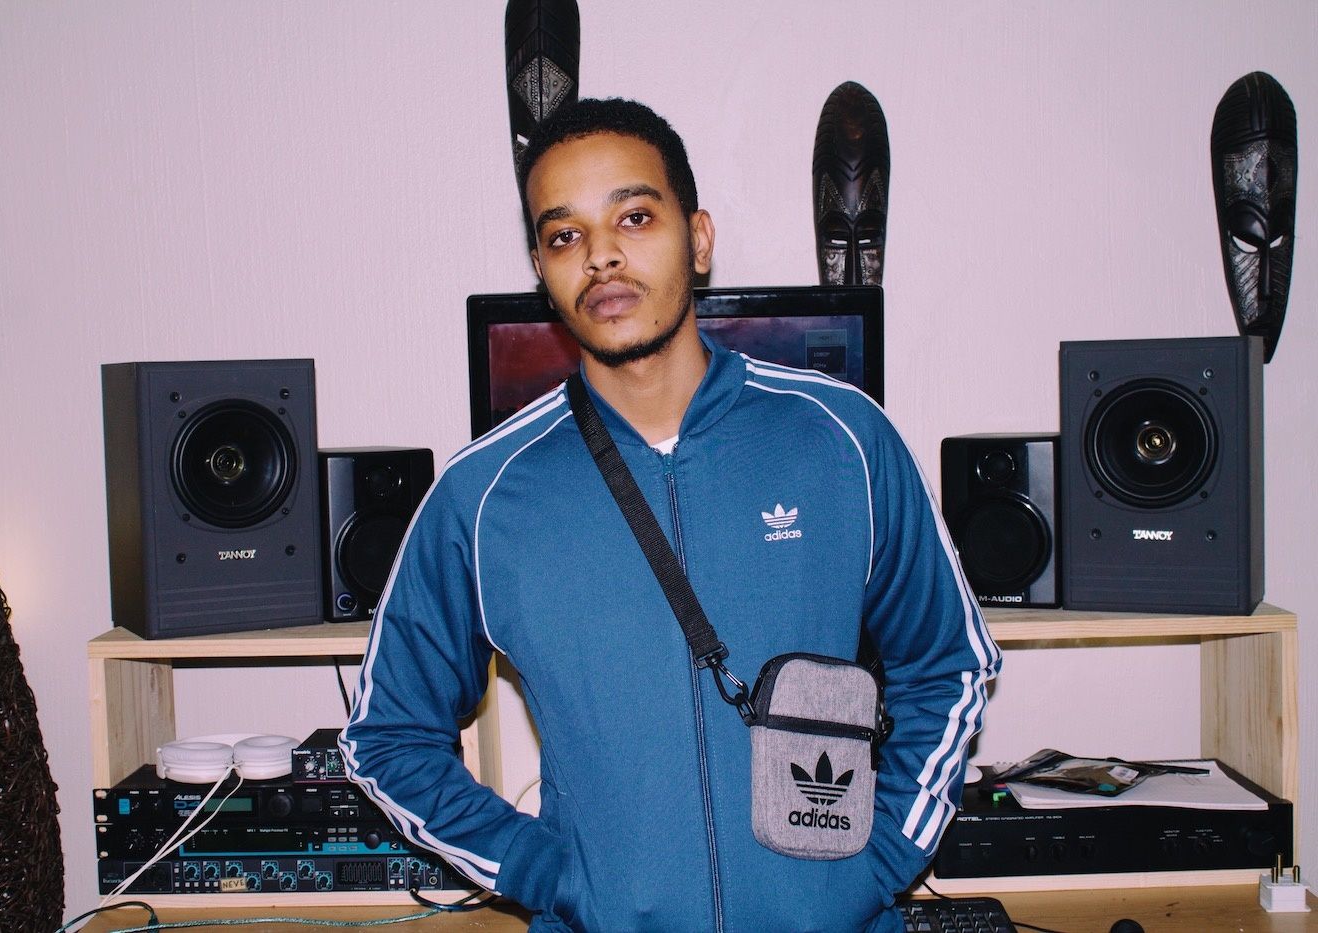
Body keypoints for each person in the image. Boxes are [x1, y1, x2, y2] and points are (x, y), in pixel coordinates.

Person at [341, 97, 1001, 932]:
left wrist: (886, 859)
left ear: (699, 238)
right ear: (542, 269)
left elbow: (949, 660)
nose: (602, 256)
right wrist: (546, 873)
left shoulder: (843, 438)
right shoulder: (484, 497)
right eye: (564, 235)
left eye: (635, 216)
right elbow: (386, 738)